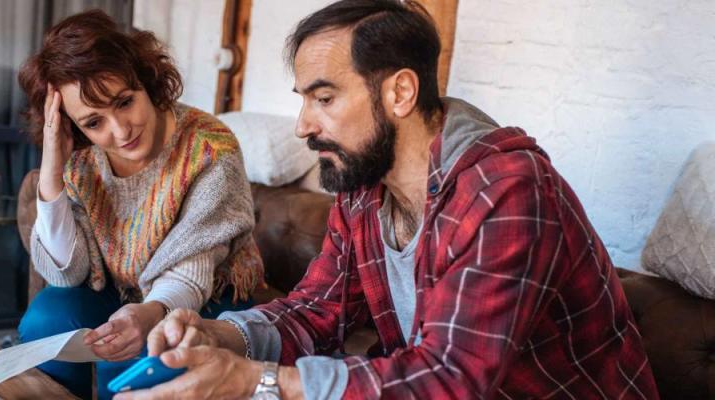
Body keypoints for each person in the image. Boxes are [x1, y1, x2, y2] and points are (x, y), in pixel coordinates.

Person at [127, 1, 660, 399]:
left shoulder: (506, 191)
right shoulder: (363, 187)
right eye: (305, 101)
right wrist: (220, 336)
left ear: (399, 93)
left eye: (325, 98)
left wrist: (257, 382)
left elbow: (453, 379)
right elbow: (315, 311)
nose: (303, 126)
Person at [15, 10, 263, 400]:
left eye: (125, 102)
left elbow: (191, 271)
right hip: (120, 288)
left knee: (139, 356)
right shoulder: (80, 159)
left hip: (208, 293)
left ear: (146, 81)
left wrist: (151, 313)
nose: (120, 130)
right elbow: (67, 275)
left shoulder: (210, 147)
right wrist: (52, 174)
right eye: (93, 123)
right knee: (47, 320)